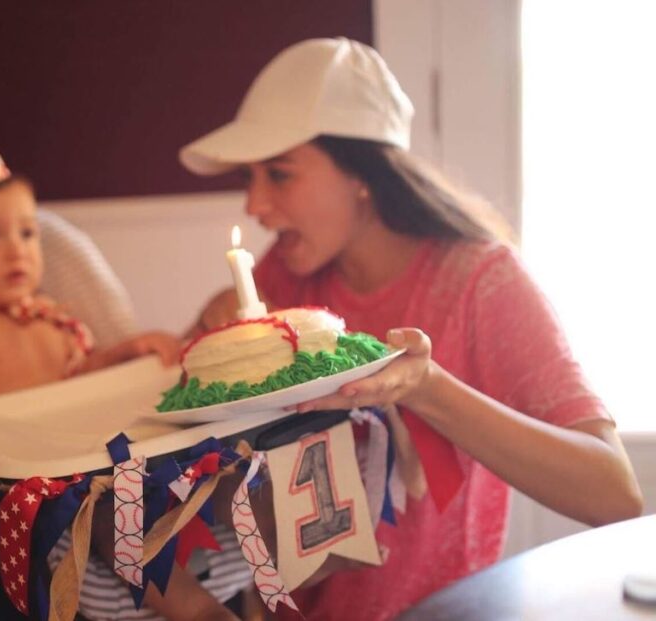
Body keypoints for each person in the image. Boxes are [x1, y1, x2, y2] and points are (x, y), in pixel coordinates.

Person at [180, 37, 643, 620]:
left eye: (278, 175)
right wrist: (211, 323)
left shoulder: (481, 283)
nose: (255, 204)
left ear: (361, 176)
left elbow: (615, 494)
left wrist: (427, 387)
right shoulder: (285, 274)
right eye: (250, 178)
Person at [0, 30, 251, 621]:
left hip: (81, 457)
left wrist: (127, 352)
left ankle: (246, 561)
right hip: (22, 488)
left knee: (195, 464)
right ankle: (195, 609)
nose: (19, 251)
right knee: (104, 509)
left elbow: (81, 385)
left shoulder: (52, 319)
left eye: (27, 233)